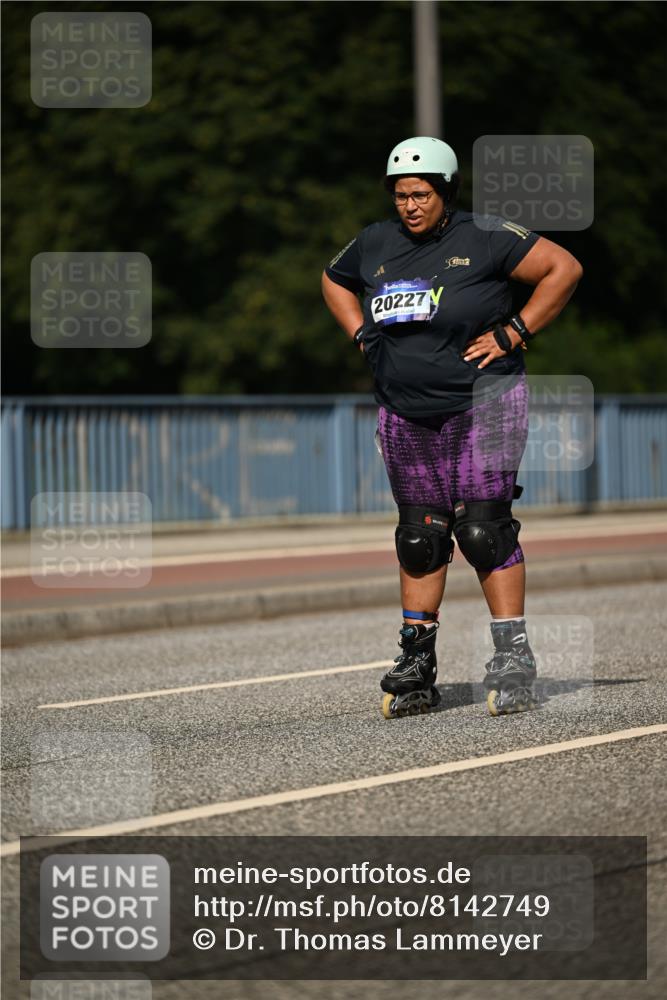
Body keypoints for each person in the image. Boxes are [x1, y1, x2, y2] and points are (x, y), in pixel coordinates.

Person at [321, 136, 583, 718]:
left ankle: (512, 656)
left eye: (421, 193)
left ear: (446, 191)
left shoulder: (486, 236)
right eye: (401, 195)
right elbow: (333, 279)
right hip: (403, 409)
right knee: (420, 538)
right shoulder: (374, 242)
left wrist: (515, 330)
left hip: (484, 404)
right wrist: (361, 333)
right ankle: (417, 662)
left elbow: (564, 268)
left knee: (483, 531)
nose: (409, 204)